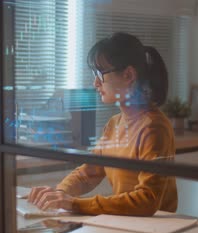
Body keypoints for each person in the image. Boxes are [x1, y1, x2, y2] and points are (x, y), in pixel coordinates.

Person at [28, 32, 177, 216]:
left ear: (128, 75)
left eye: (100, 73)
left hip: (156, 229)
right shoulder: (114, 123)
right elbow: (88, 172)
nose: (95, 82)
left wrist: (74, 204)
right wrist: (60, 193)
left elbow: (147, 201)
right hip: (128, 224)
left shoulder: (154, 127)